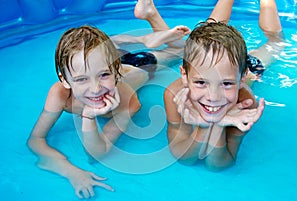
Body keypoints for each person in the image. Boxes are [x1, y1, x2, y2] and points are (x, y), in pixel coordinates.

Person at [26, 2, 190, 200]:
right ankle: (144, 35)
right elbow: (35, 140)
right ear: (64, 79)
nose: (95, 89)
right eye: (81, 79)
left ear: (114, 72)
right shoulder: (59, 94)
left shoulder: (128, 101)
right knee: (102, 49)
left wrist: (87, 116)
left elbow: (96, 154)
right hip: (105, 61)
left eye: (104, 75)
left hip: (140, 65)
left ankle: (151, 21)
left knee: (182, 52)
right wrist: (71, 171)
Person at [164, 0, 284, 171]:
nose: (213, 97)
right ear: (184, 75)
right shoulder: (173, 95)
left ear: (241, 79)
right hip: (221, 64)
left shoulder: (245, 102)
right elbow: (184, 158)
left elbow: (218, 165)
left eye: (227, 84)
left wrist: (217, 125)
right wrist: (205, 127)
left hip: (249, 65)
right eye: (200, 82)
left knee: (276, 42)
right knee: (209, 31)